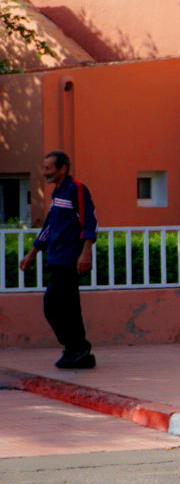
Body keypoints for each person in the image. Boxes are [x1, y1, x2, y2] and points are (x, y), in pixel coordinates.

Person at [19, 151, 97, 369]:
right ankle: (78, 349)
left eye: (48, 168)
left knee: (52, 304)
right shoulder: (56, 194)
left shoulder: (76, 189)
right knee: (68, 306)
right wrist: (32, 253)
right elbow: (50, 227)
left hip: (70, 258)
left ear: (62, 168)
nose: (45, 172)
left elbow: (90, 222)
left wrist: (86, 251)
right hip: (56, 257)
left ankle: (77, 347)